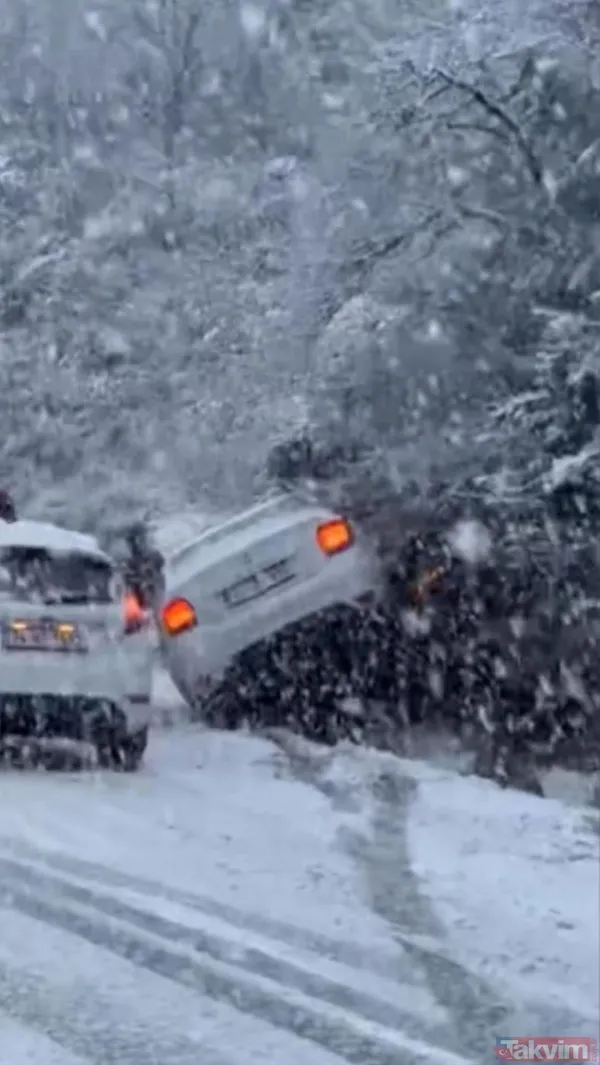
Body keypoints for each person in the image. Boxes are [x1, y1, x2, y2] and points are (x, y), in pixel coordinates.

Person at [122, 521, 165, 611]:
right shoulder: (129, 562)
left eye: (140, 539)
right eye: (132, 541)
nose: (136, 544)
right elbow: (127, 581)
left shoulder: (154, 555)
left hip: (155, 593)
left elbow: (160, 563)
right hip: (140, 601)